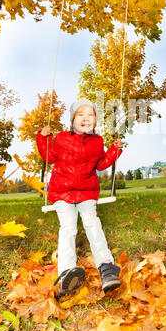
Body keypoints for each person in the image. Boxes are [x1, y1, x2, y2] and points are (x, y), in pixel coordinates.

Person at [36, 98, 123, 299]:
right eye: (81, 115)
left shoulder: (97, 142)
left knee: (92, 223)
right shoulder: (62, 139)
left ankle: (107, 267)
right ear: (72, 121)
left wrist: (114, 151)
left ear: (95, 121)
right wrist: (43, 138)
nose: (86, 119)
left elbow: (101, 164)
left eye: (91, 115)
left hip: (86, 192)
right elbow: (48, 156)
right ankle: (66, 272)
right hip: (62, 193)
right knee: (68, 228)